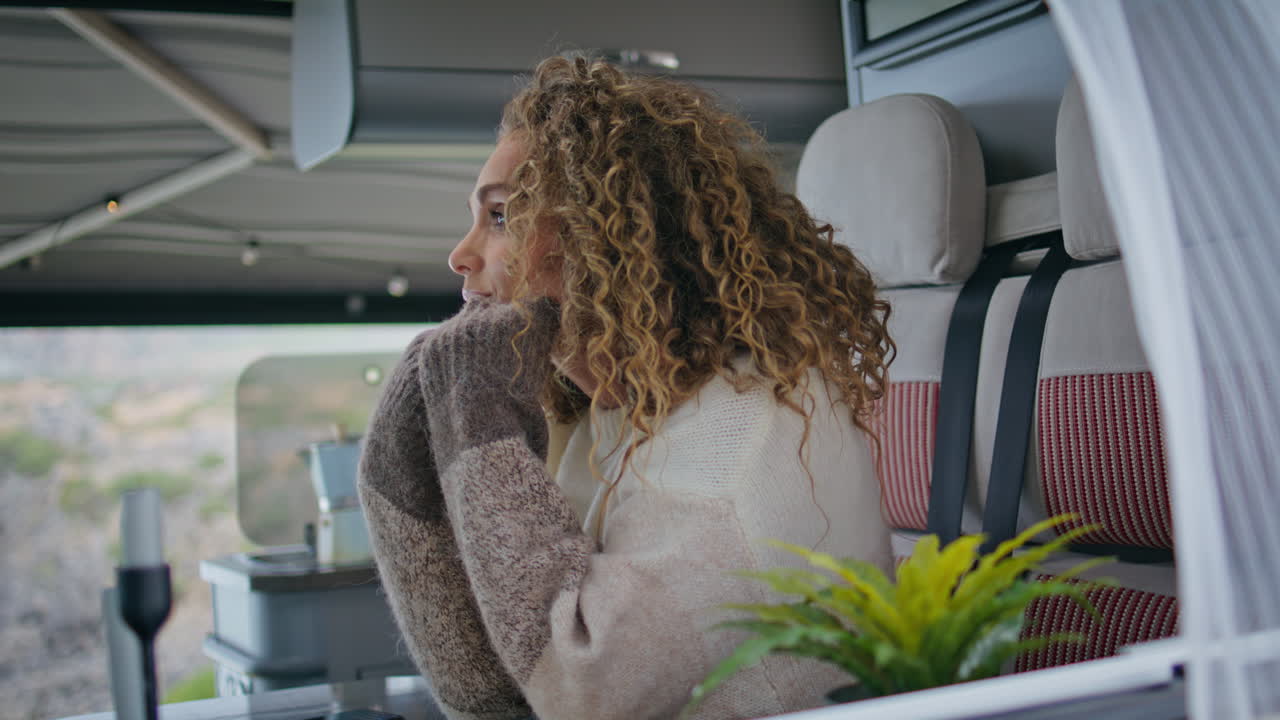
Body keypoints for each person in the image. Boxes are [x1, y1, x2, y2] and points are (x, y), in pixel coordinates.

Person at [357, 56, 894, 720]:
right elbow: (494, 691)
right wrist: (401, 462)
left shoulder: (731, 454)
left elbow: (578, 697)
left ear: (598, 238)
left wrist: (475, 410)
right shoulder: (607, 414)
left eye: (499, 218)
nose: (460, 255)